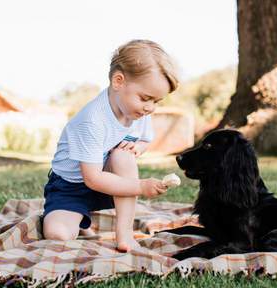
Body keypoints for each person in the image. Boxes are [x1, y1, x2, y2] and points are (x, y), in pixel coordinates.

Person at [42, 39, 179, 252]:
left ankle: (124, 235)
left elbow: (144, 140)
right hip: (71, 186)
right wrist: (141, 186)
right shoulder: (92, 120)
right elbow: (92, 178)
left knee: (123, 156)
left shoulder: (137, 111)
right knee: (58, 235)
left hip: (109, 181)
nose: (150, 107)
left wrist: (137, 148)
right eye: (146, 98)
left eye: (156, 101)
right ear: (118, 81)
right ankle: (75, 218)